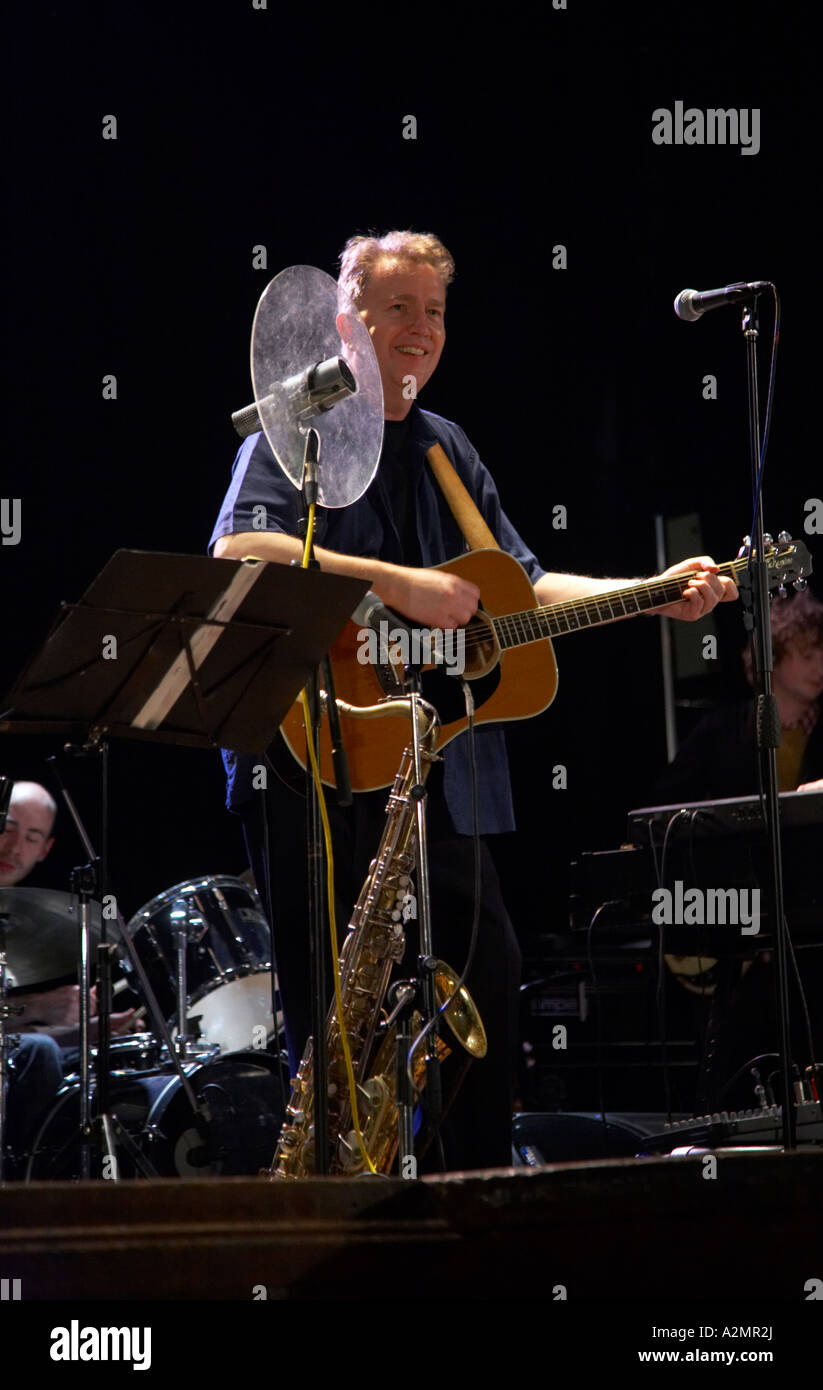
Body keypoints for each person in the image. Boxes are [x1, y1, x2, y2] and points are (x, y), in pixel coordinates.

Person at [209, 230, 737, 1169]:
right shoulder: (305, 423)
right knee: (332, 1023)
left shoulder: (449, 447)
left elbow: (521, 591)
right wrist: (397, 584)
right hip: (315, 764)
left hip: (440, 779)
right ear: (348, 319)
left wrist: (650, 593)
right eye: (398, 308)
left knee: (482, 994)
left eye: (435, 312)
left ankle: (472, 1213)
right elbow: (239, 555)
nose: (420, 330)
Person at [1, 779, 137, 1170]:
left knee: (104, 1065)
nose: (14, 847)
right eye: (8, 828)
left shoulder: (12, 920)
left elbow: (7, 1040)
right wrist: (40, 1005)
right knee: (39, 1052)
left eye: (31, 837)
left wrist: (84, 1031)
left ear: (46, 850)